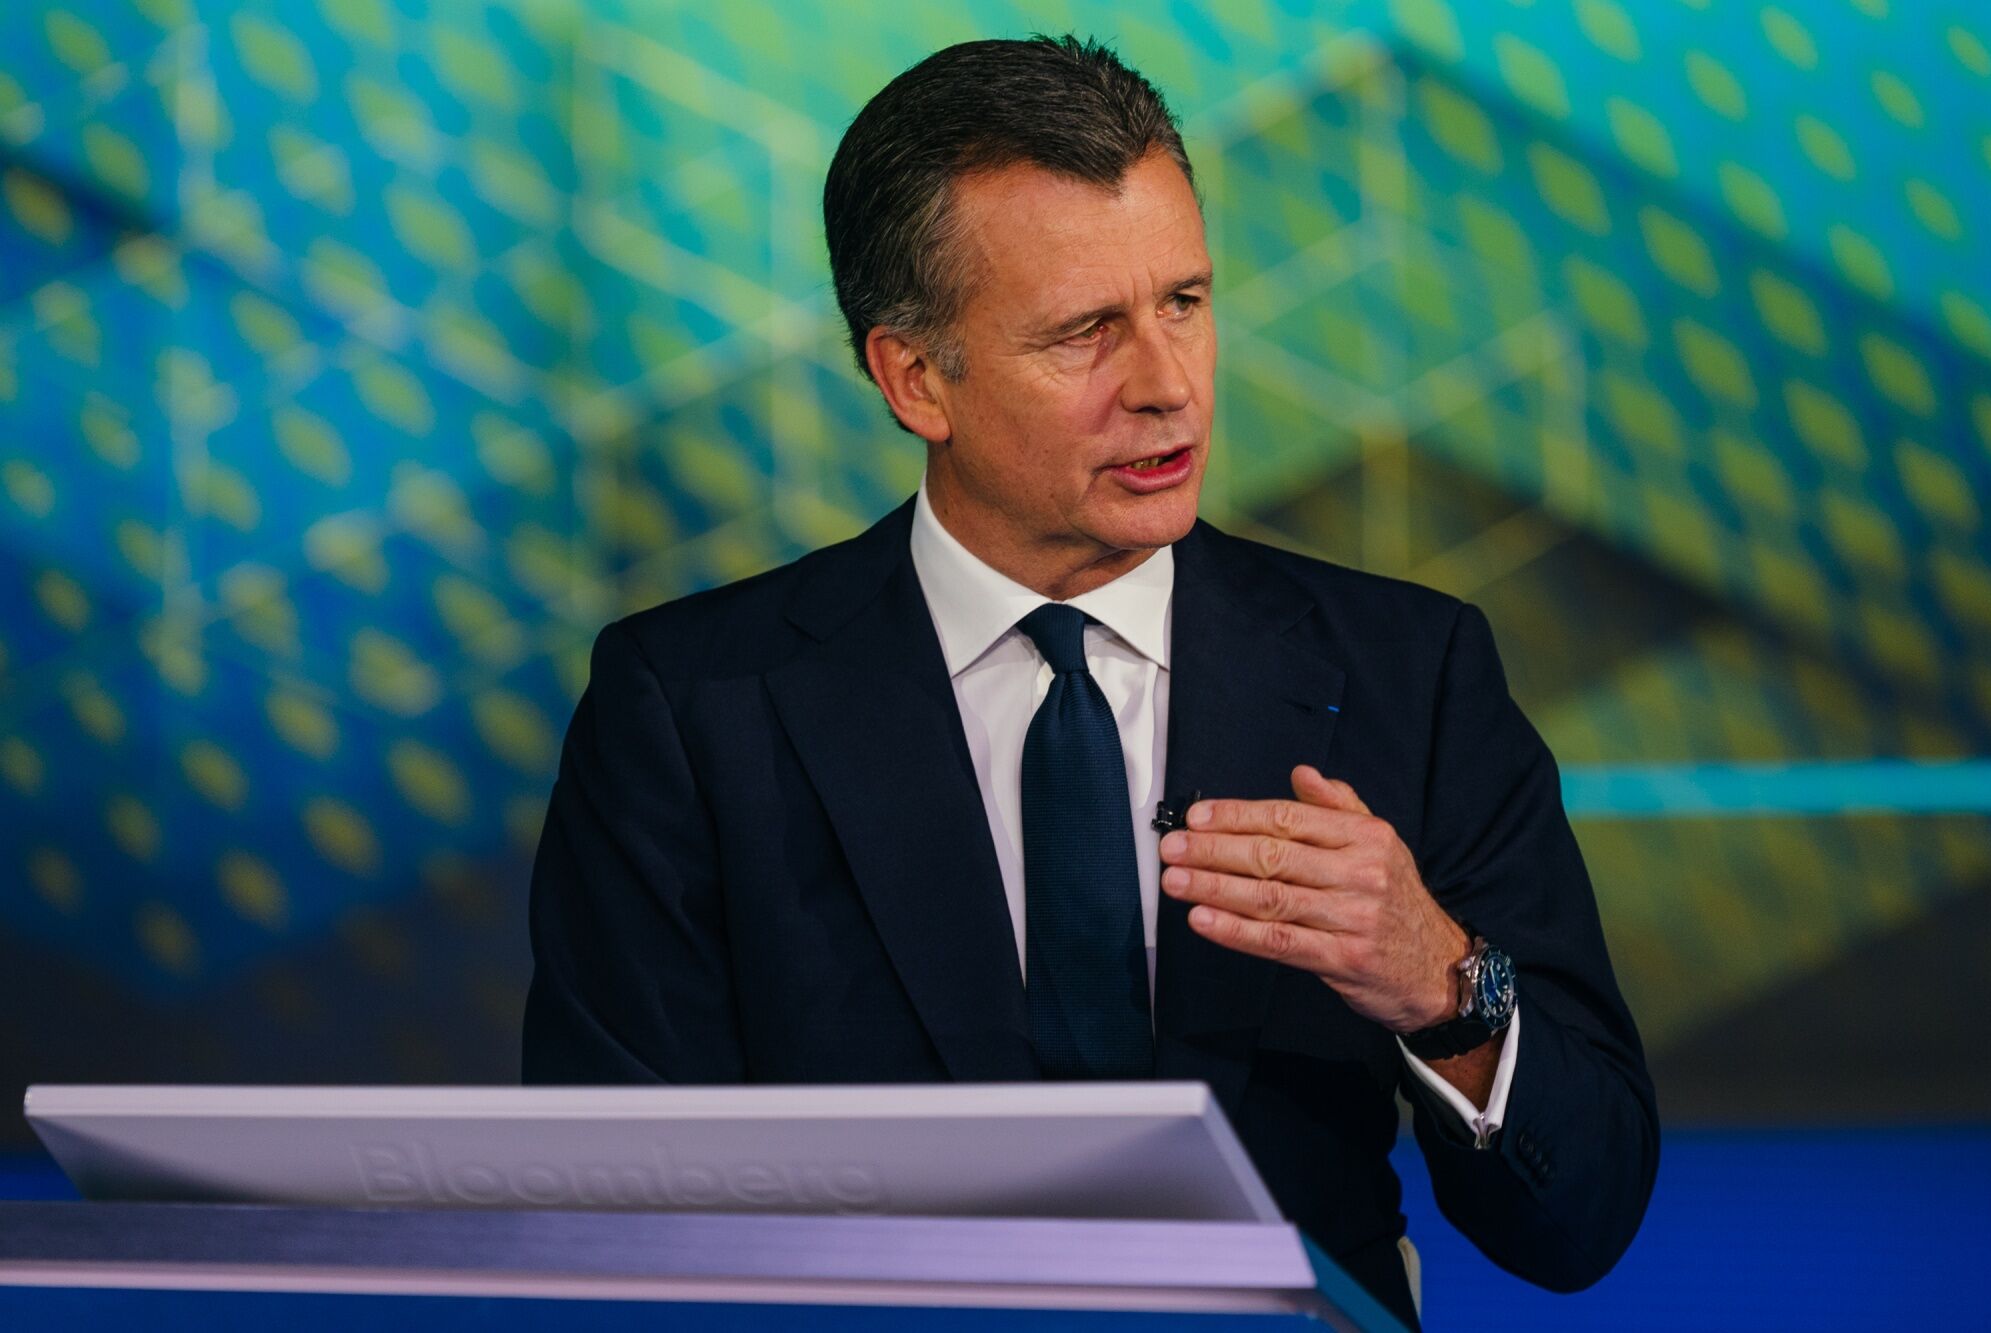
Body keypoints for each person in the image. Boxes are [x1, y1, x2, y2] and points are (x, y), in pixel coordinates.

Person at [524, 35, 1657, 1328]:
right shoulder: (692, 708)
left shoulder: (1411, 672)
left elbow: (1585, 1218)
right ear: (915, 378)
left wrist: (1441, 979)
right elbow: (613, 1232)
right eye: (1085, 332)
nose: (1168, 387)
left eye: (1184, 302)